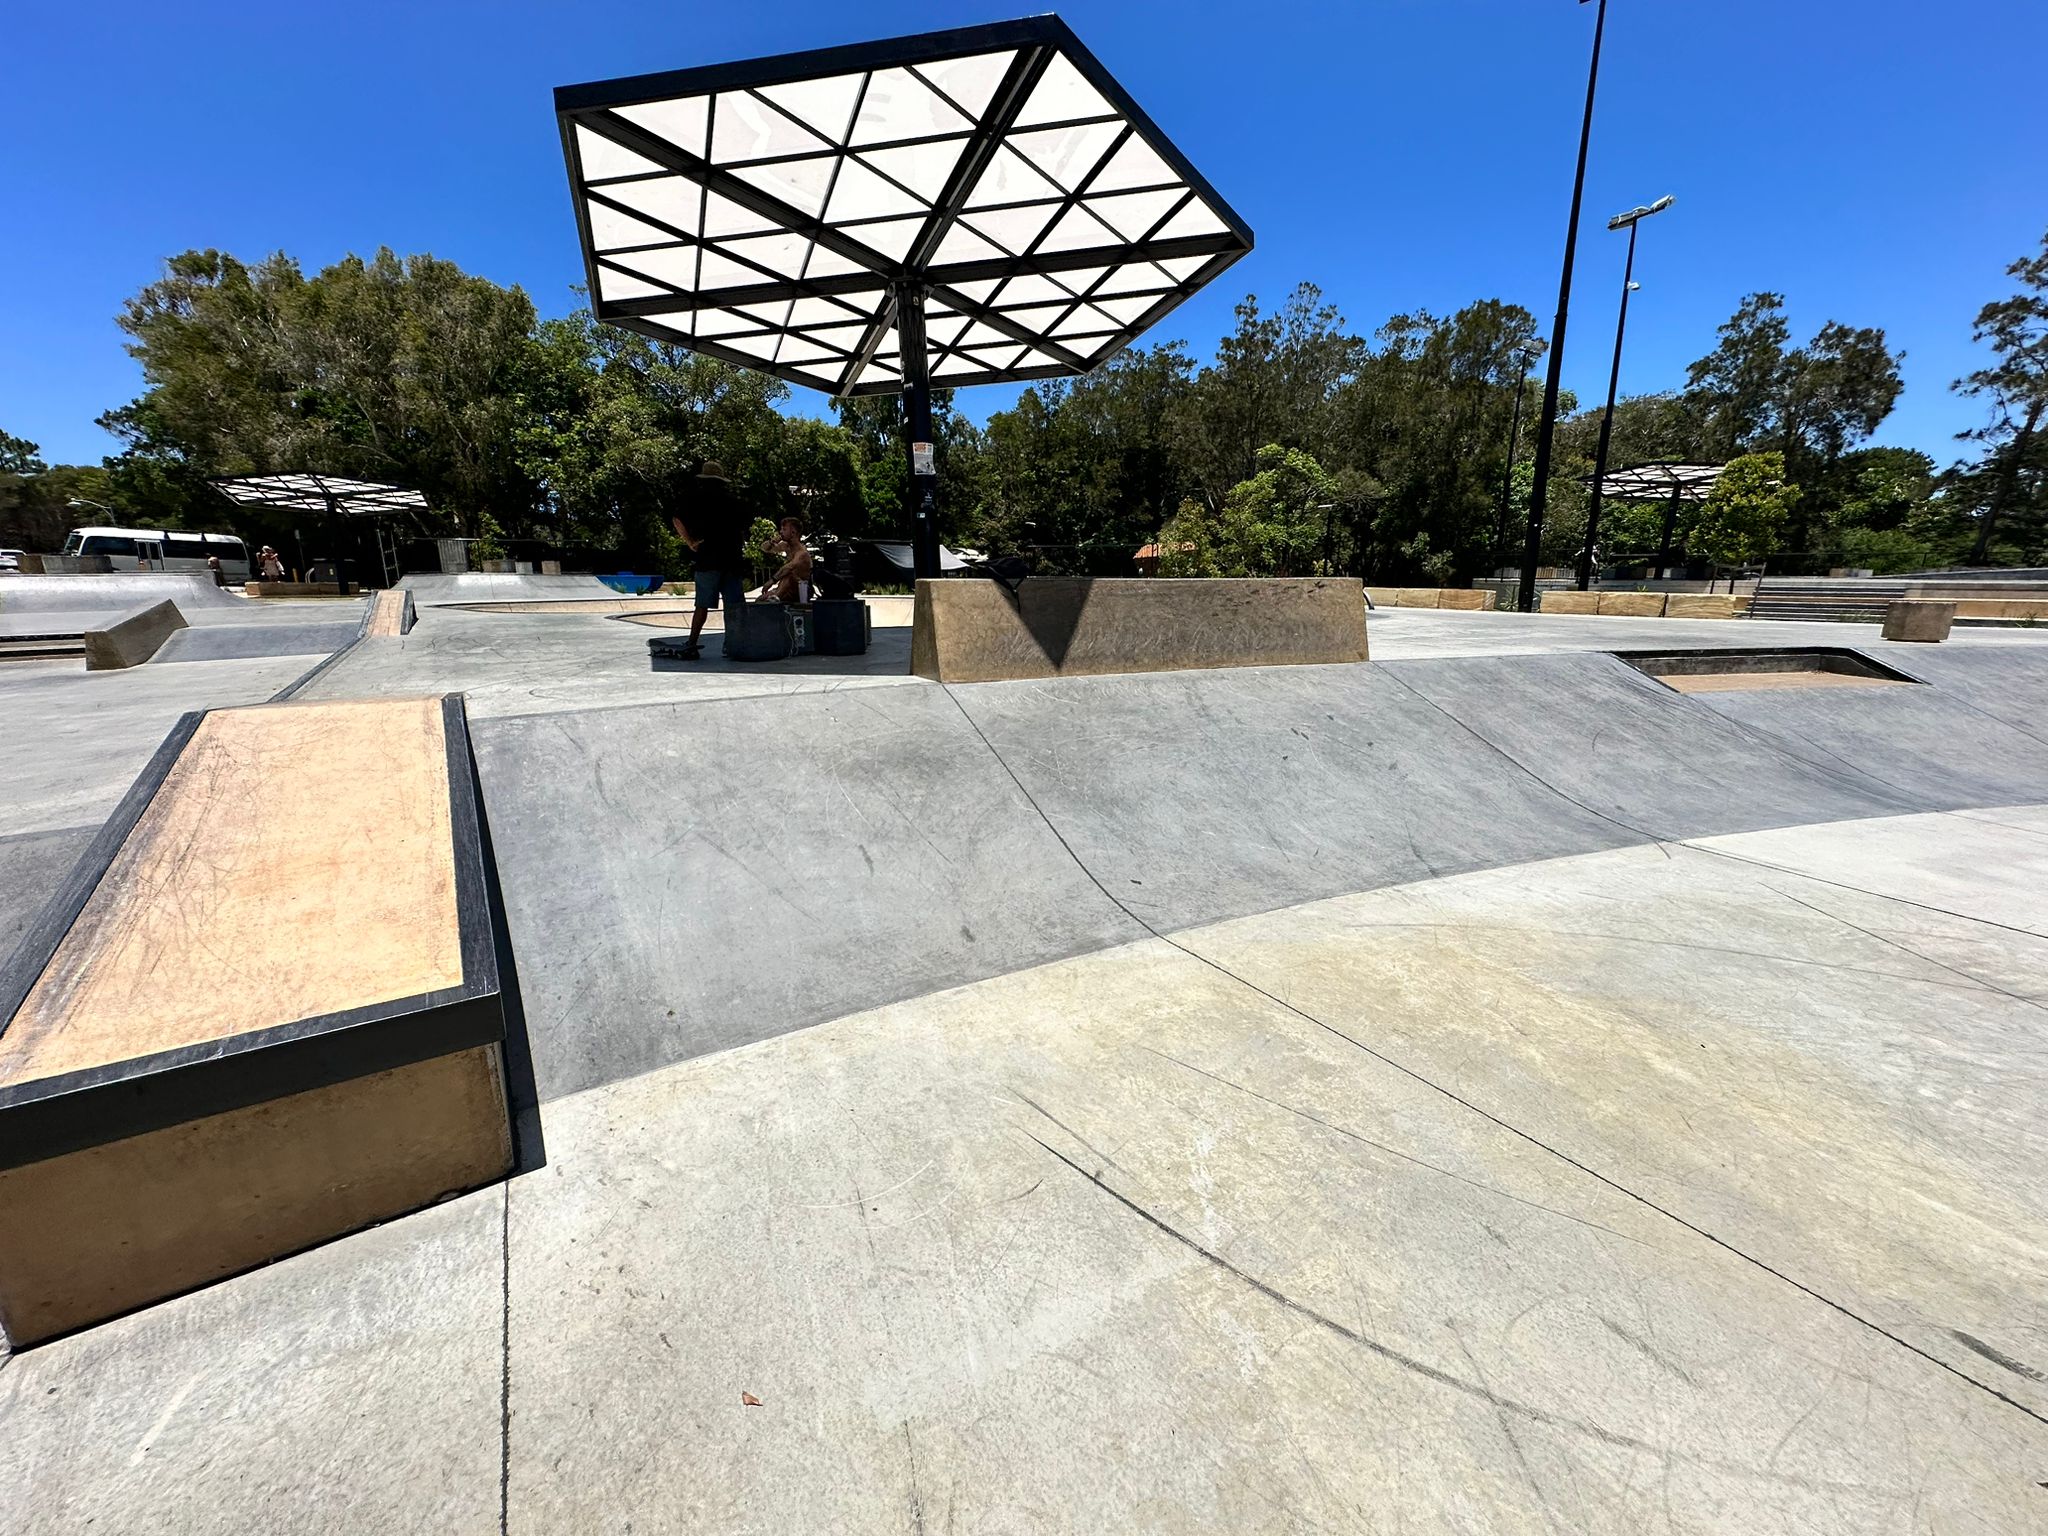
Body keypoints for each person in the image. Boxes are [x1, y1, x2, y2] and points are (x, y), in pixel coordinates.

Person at [668, 462, 747, 659]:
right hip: (732, 559)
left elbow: (677, 519)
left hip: (707, 558)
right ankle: (734, 645)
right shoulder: (733, 500)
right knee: (734, 606)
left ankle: (692, 642)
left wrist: (690, 542)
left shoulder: (695, 499)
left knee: (701, 605)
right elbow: (744, 529)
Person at [760, 517, 814, 604]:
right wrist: (771, 541)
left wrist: (771, 581)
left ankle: (776, 597)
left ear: (793, 532)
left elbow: (788, 568)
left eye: (784, 529)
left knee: (789, 573)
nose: (781, 532)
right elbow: (764, 548)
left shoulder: (802, 553)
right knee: (761, 599)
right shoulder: (786, 546)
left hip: (803, 589)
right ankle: (774, 597)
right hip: (788, 588)